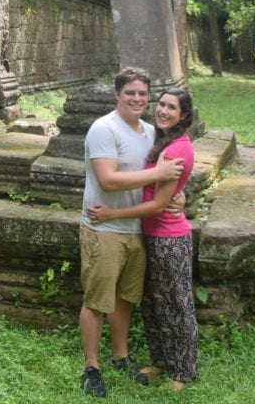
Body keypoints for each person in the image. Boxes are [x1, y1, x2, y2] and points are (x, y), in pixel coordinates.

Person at [78, 67, 186, 398]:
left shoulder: (150, 132)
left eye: (142, 93)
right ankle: (91, 367)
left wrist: (179, 194)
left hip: (136, 228)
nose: (137, 99)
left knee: (125, 298)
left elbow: (169, 177)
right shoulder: (104, 129)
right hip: (104, 227)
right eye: (130, 93)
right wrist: (159, 172)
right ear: (117, 94)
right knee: (97, 300)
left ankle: (120, 357)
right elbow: (108, 179)